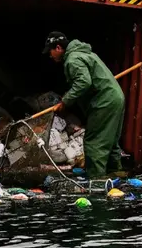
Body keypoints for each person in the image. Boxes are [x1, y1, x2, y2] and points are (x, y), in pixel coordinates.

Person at [43, 31, 125, 178]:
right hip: (115, 98)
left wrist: (66, 101)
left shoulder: (72, 59)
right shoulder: (85, 54)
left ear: (58, 48)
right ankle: (116, 175)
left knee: (94, 142)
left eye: (50, 52)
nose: (50, 56)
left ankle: (96, 182)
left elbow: (83, 82)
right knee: (111, 140)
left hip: (104, 101)